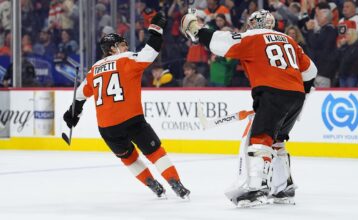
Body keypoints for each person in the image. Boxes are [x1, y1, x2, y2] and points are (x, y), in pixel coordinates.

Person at [181, 9, 317, 207]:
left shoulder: (253, 36)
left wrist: (195, 29)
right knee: (277, 140)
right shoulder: (289, 40)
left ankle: (256, 188)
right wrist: (299, 92)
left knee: (259, 140)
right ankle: (283, 189)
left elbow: (221, 42)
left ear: (254, 23)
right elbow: (311, 70)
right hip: (296, 95)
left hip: (272, 92)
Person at [63, 12, 190, 199]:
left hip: (107, 128)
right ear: (113, 48)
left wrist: (72, 114)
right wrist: (156, 30)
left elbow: (80, 96)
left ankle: (152, 185)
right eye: (123, 44)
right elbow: (150, 52)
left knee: (128, 157)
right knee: (155, 152)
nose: (127, 46)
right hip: (132, 119)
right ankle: (175, 182)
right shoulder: (127, 58)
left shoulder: (94, 70)